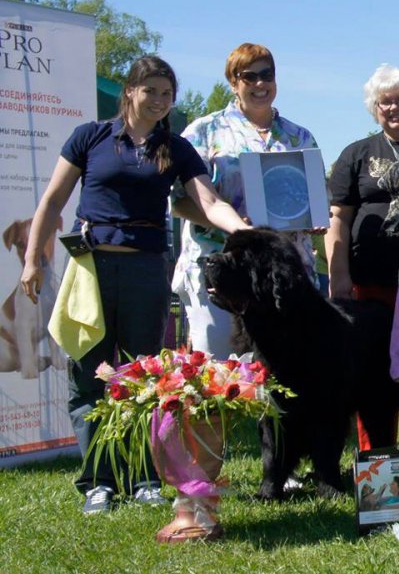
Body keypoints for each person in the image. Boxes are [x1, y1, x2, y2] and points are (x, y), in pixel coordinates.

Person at [19, 56, 250, 514]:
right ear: (131, 90)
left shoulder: (175, 147)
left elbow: (207, 200)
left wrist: (244, 233)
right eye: (152, 91)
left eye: (168, 94)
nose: (160, 101)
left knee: (145, 377)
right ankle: (98, 483)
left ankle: (144, 478)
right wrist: (32, 260)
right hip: (91, 268)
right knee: (91, 376)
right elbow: (53, 200)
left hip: (147, 270)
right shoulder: (91, 137)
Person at [171, 43, 318, 358]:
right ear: (233, 82)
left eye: (267, 75)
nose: (260, 84)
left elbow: (314, 195)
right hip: (220, 269)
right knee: (221, 374)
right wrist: (232, 225)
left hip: (283, 276)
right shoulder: (203, 132)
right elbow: (177, 201)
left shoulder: (299, 136)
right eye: (249, 77)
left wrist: (315, 216)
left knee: (287, 371)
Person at [326, 64, 399, 451]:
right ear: (374, 107)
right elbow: (339, 219)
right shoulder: (355, 154)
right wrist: (339, 277)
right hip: (369, 281)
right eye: (386, 101)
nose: (395, 107)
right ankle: (378, 461)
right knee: (371, 373)